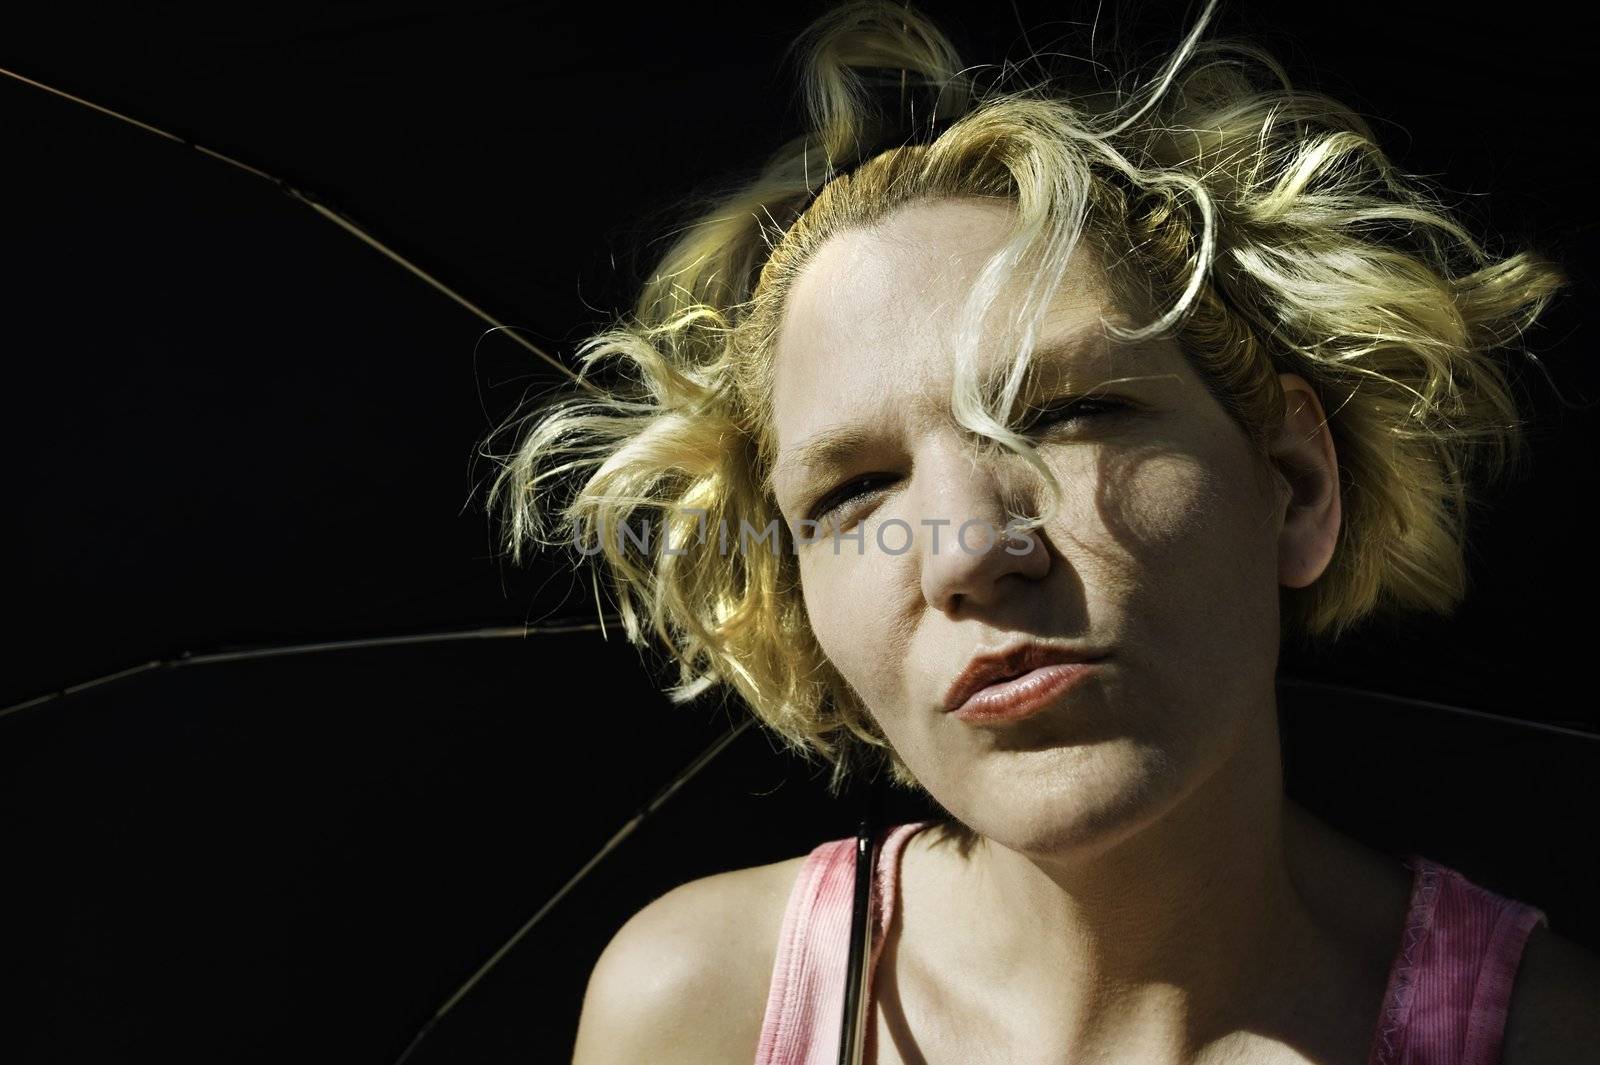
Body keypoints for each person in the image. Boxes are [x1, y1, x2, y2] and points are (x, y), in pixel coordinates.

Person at [484, 1, 1600, 1061]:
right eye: (851, 493)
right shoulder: (701, 1005)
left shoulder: (1549, 1038)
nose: (967, 552)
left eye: (1068, 415)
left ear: (1296, 484)